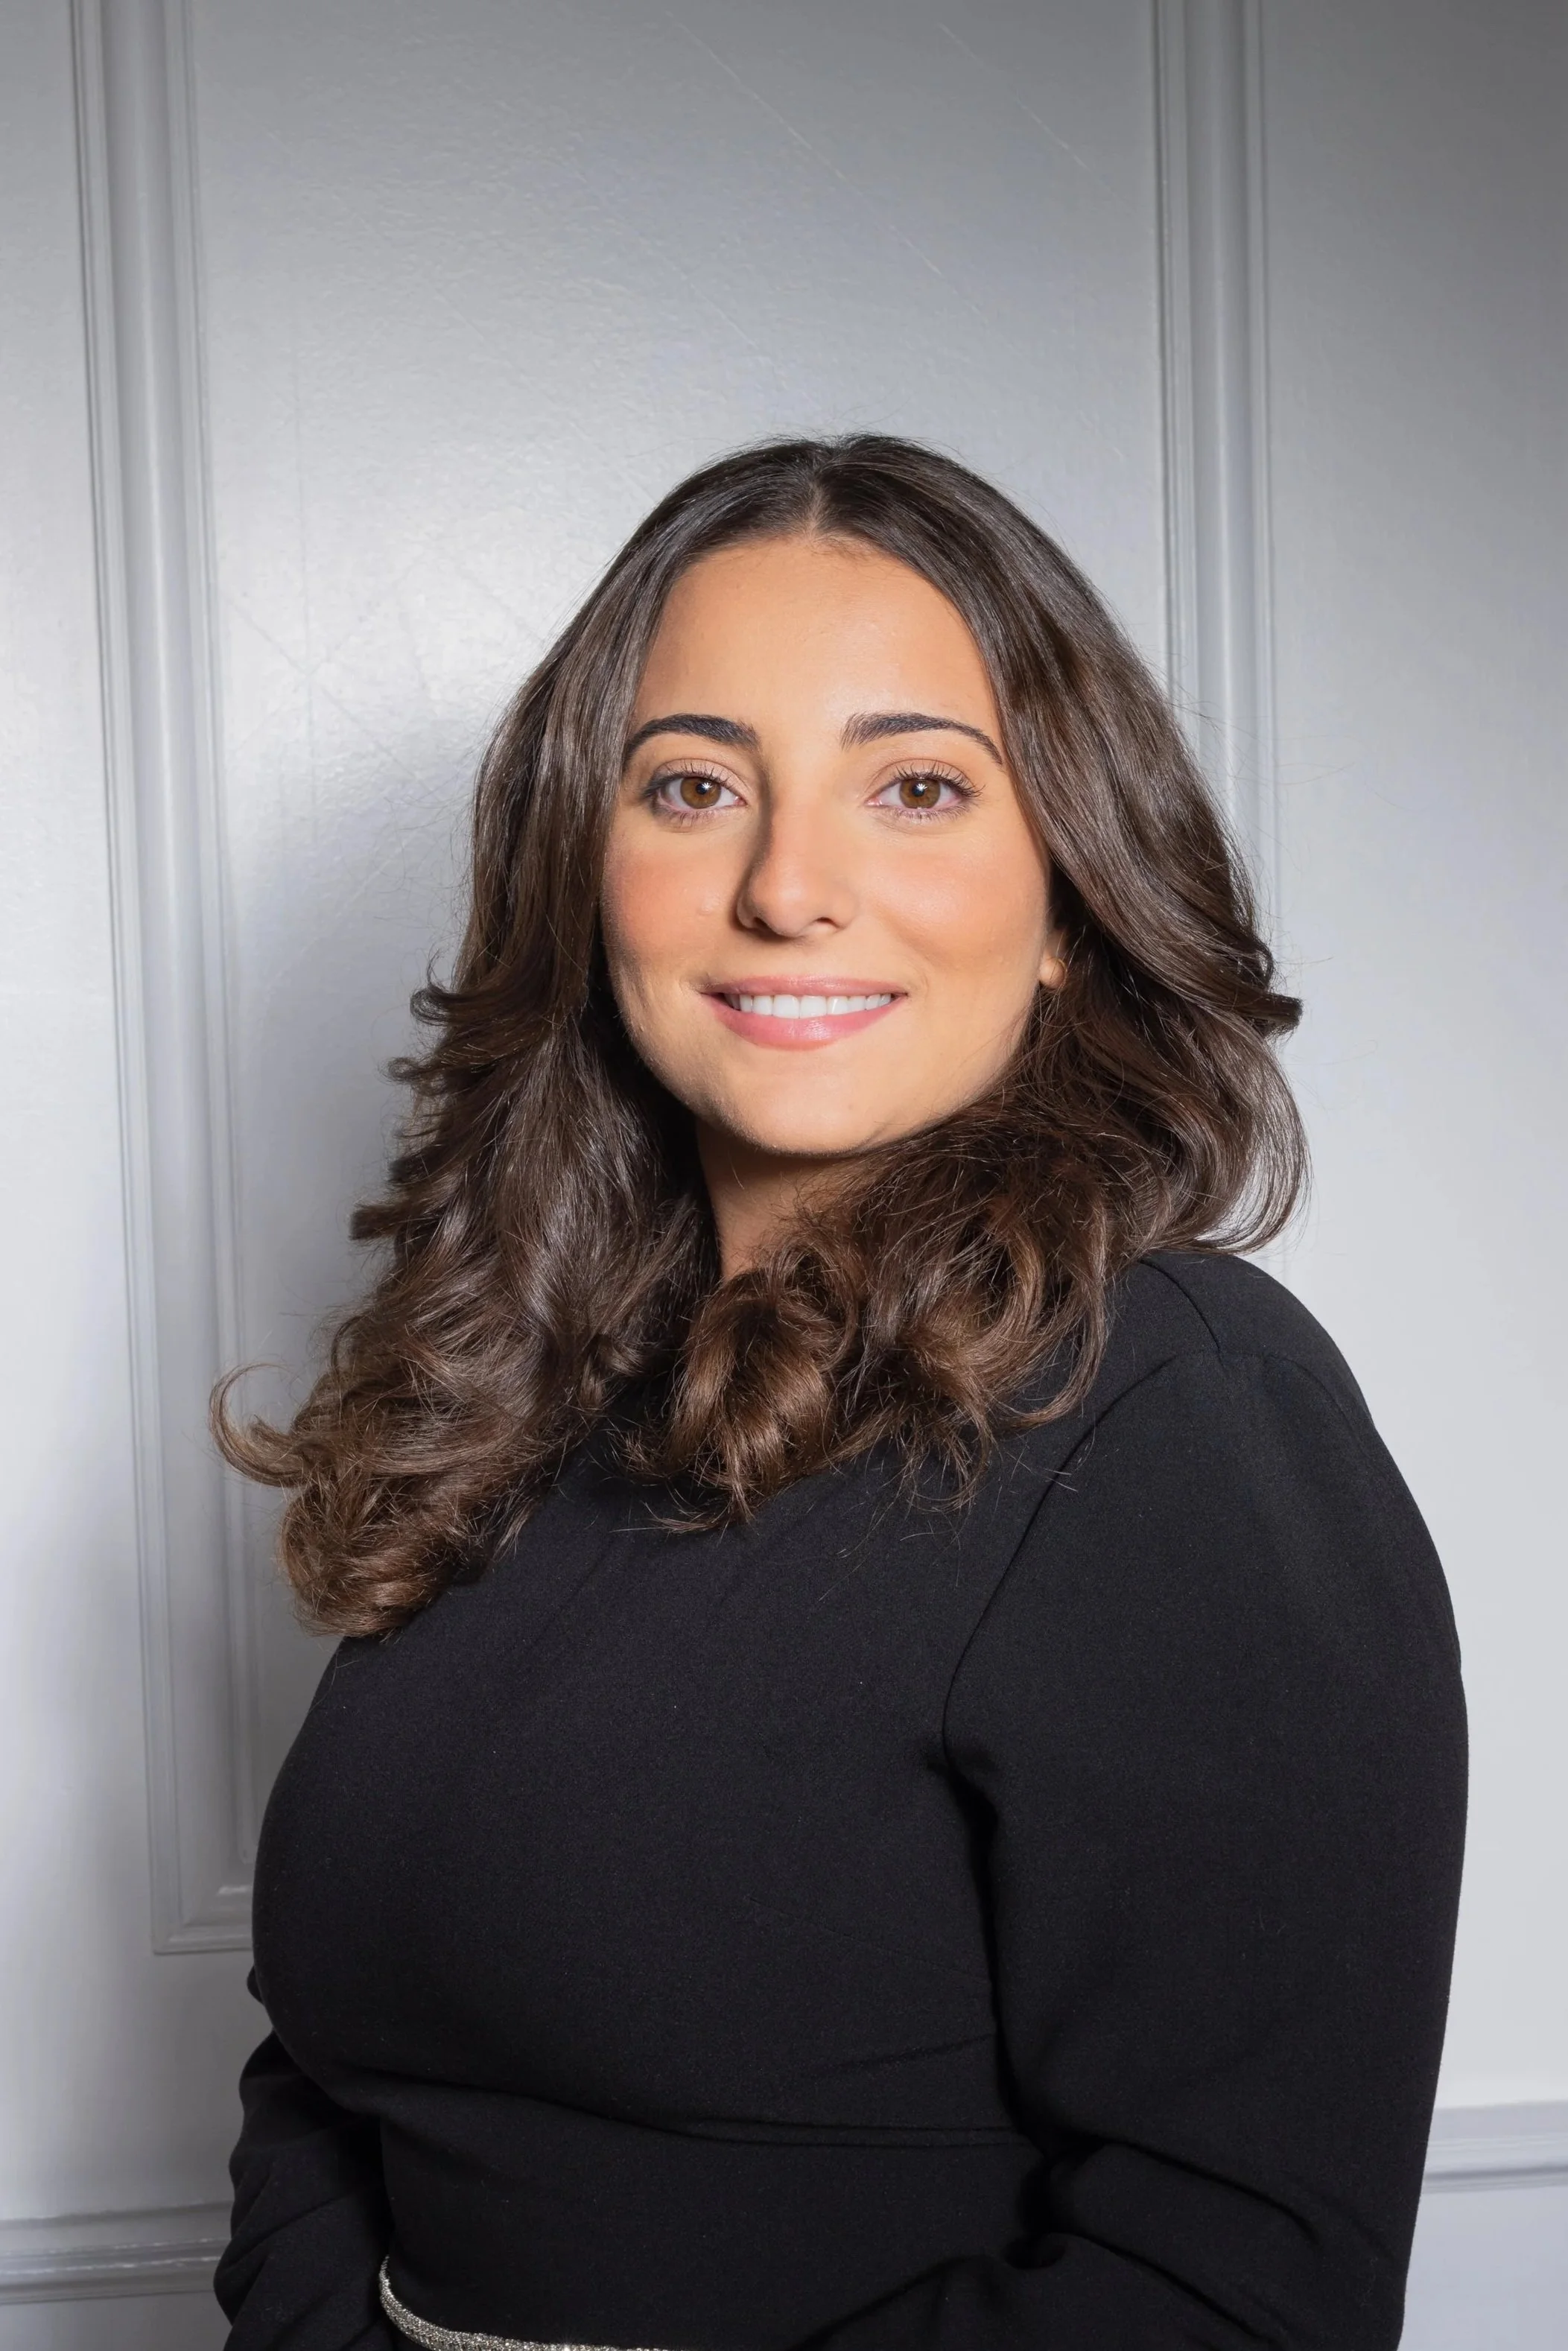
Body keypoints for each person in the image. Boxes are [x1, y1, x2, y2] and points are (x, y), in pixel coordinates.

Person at [212, 435, 1466, 2351]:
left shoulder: (1174, 1417)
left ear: (1064, 899)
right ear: (589, 870)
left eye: (915, 788)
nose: (789, 887)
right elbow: (333, 2064)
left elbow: (1226, 2292)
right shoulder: (533, 1391)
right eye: (697, 785)